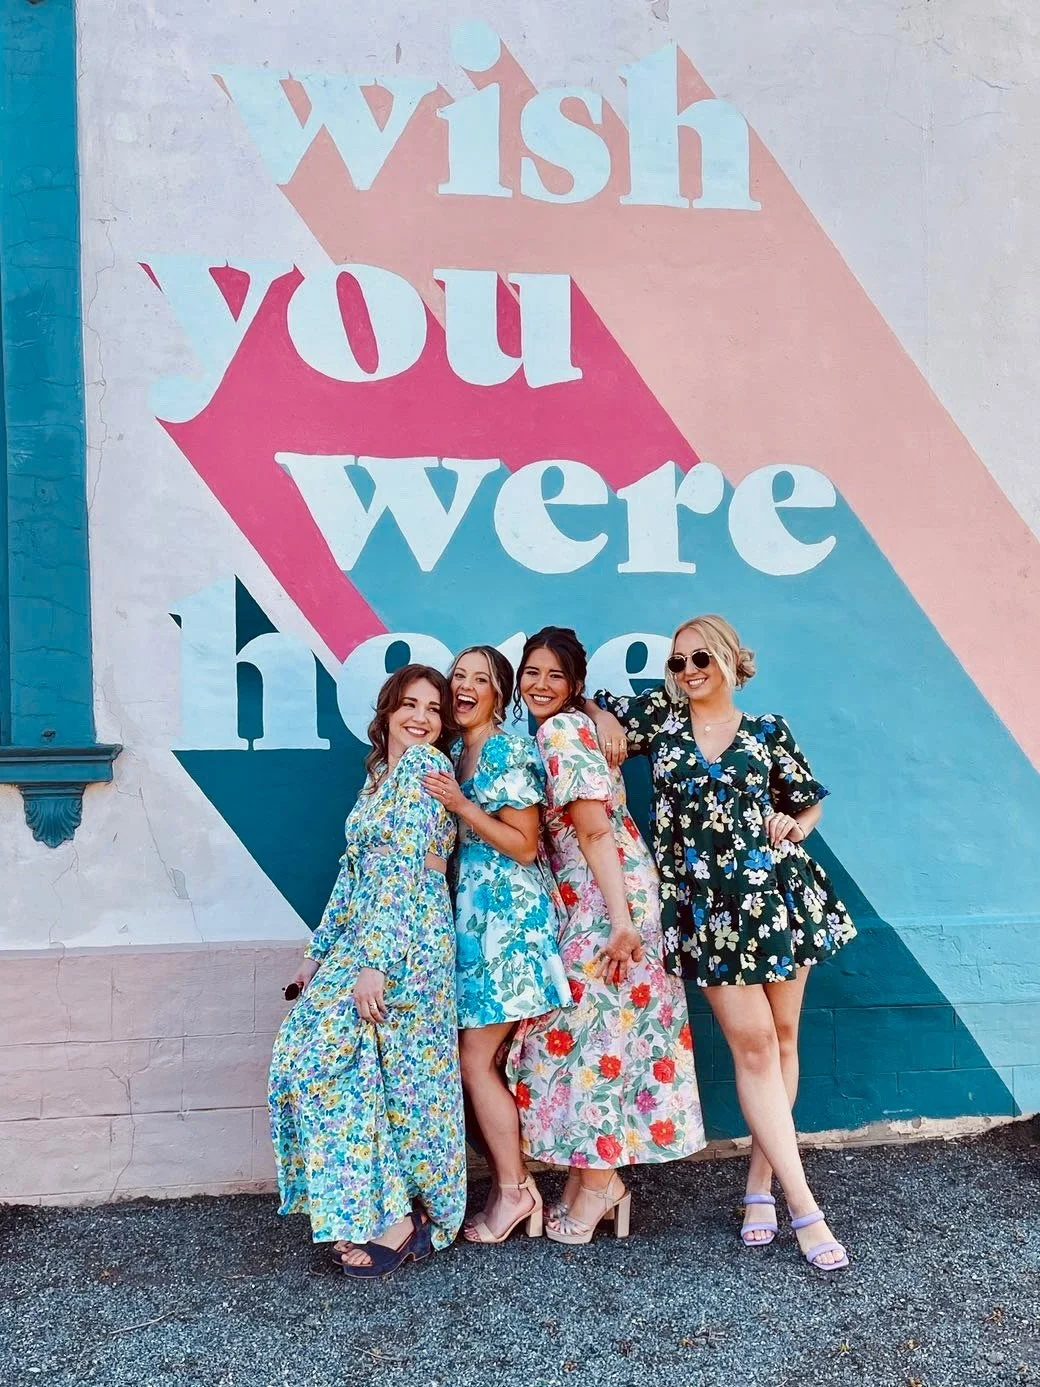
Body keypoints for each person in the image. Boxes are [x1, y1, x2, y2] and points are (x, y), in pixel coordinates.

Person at [588, 614, 856, 1271]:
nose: (687, 672)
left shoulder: (768, 729)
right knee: (755, 1044)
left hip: (778, 899)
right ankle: (805, 1206)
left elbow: (808, 800)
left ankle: (760, 1185)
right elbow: (597, 707)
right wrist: (602, 716)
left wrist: (792, 823)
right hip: (708, 913)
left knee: (784, 1041)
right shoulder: (662, 723)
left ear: (731, 658)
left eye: (700, 658)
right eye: (676, 663)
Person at [507, 626, 705, 1245]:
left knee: (589, 1040)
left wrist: (619, 922)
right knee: (590, 1037)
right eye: (531, 673)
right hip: (596, 892)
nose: (541, 685)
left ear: (575, 686)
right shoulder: (568, 726)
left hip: (605, 895)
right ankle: (593, 1179)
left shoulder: (563, 731)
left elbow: (593, 831)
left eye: (555, 677)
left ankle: (598, 1187)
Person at [268, 664, 466, 1278]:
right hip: (366, 938)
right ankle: (385, 1209)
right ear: (385, 713)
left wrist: (374, 963)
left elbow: (407, 869)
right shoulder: (380, 776)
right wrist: (317, 953)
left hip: (405, 943)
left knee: (394, 1079)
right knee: (342, 1067)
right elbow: (355, 872)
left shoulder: (419, 770)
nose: (422, 718)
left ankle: (402, 1220)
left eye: (434, 709)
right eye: (410, 705)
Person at [422, 645, 571, 1245]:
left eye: (480, 679)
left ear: (499, 694)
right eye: (459, 675)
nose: (465, 685)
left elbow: (525, 844)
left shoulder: (507, 748)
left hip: (511, 924)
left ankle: (513, 1190)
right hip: (474, 925)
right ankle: (513, 1185)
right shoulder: (457, 753)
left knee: (473, 1060)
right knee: (475, 1061)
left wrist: (460, 806)